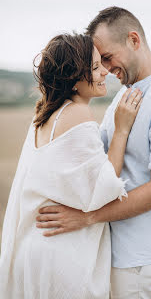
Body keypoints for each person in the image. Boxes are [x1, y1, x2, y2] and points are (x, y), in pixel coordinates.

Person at [36, 7, 151, 298]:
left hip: (141, 258)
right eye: (99, 61)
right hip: (113, 252)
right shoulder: (123, 98)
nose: (105, 68)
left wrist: (85, 217)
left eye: (108, 57)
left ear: (134, 40)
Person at [0, 33, 143, 298]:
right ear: (73, 78)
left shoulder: (43, 116)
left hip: (36, 247)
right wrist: (121, 129)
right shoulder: (78, 113)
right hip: (63, 252)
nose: (105, 73)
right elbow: (104, 186)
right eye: (96, 67)